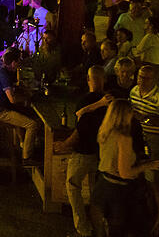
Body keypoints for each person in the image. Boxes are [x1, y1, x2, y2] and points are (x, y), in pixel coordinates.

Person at [90, 99, 159, 237]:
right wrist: (147, 166)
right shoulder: (123, 138)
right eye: (130, 112)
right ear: (124, 115)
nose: (132, 116)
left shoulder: (105, 131)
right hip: (117, 193)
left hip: (101, 187)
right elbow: (125, 172)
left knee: (100, 231)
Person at [54, 66, 108, 237]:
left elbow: (80, 131)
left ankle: (83, 227)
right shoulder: (109, 102)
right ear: (104, 80)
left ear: (88, 80)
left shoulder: (85, 102)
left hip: (83, 152)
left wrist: (65, 145)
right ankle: (100, 226)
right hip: (101, 153)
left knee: (73, 185)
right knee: (95, 190)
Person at [130, 65, 159, 235]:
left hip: (156, 142)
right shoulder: (133, 92)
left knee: (156, 180)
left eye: (146, 78)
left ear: (154, 80)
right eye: (140, 77)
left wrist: (146, 119)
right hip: (139, 139)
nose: (141, 81)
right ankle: (148, 211)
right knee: (141, 177)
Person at [0, 49, 39, 164]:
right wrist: (28, 96)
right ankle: (27, 158)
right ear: (13, 62)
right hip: (0, 112)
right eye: (18, 62)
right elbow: (12, 99)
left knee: (29, 113)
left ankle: (25, 144)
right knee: (32, 125)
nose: (19, 65)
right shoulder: (3, 75)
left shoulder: (1, 70)